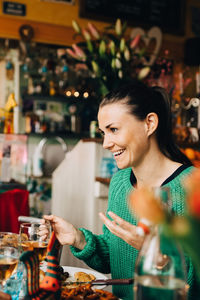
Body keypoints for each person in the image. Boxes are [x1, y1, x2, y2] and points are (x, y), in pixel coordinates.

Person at [41, 80, 196, 300]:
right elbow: (114, 257)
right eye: (104, 132)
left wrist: (158, 255)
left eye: (113, 129)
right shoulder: (120, 182)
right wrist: (78, 238)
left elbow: (194, 282)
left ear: (149, 123)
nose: (105, 143)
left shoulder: (191, 186)